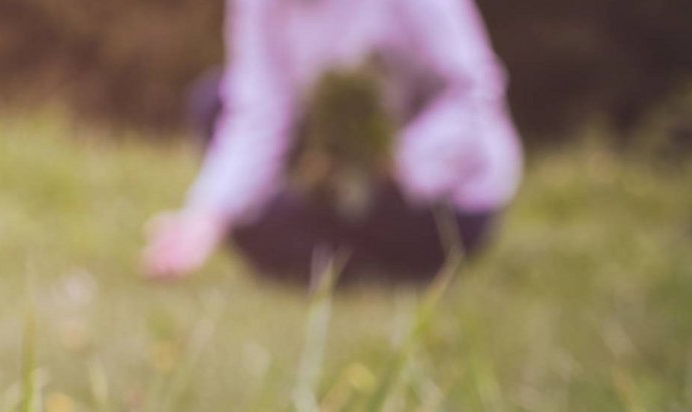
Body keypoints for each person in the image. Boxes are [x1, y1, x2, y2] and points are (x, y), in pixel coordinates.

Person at [143, 0, 522, 285]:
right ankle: (341, 259)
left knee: (291, 227)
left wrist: (397, 163)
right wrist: (206, 218)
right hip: (335, 179)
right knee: (214, 102)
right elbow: (259, 113)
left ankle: (349, 259)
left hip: (440, 199)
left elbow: (474, 94)